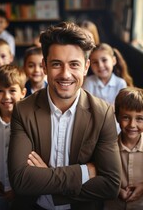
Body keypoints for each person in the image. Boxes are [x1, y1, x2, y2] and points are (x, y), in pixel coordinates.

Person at [8, 22, 121, 210]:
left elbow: (110, 186)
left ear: (86, 67)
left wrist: (47, 177)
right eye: (56, 64)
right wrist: (84, 171)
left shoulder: (103, 114)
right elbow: (21, 181)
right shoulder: (23, 110)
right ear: (44, 66)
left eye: (74, 64)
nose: (65, 74)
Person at [0, 64, 27, 210]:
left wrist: (18, 187)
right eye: (0, 91)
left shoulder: (28, 123)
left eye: (12, 90)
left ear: (23, 92)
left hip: (22, 189)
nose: (6, 96)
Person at [104, 87, 143, 210]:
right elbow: (101, 176)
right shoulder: (107, 148)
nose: (132, 125)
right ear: (117, 117)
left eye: (139, 119)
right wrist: (116, 190)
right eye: (126, 117)